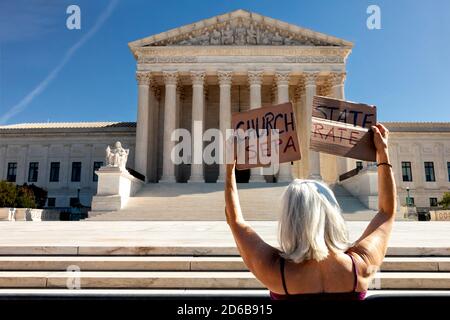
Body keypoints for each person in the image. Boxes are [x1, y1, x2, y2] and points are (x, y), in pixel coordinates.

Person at [224, 123, 396, 300]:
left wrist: (230, 168)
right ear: (333, 213)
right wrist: (383, 153)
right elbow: (386, 212)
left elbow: (235, 220)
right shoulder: (360, 266)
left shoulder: (274, 270)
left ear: (289, 219)